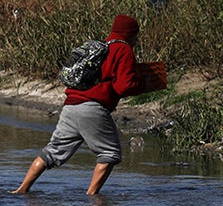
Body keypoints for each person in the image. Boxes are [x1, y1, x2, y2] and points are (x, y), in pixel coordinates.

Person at [11, 14, 144, 195]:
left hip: (70, 106)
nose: (137, 39)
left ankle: (21, 190)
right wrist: (143, 83)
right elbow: (124, 87)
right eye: (136, 35)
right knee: (110, 154)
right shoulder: (123, 49)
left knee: (52, 152)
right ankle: (92, 196)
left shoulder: (102, 47)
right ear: (131, 33)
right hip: (92, 108)